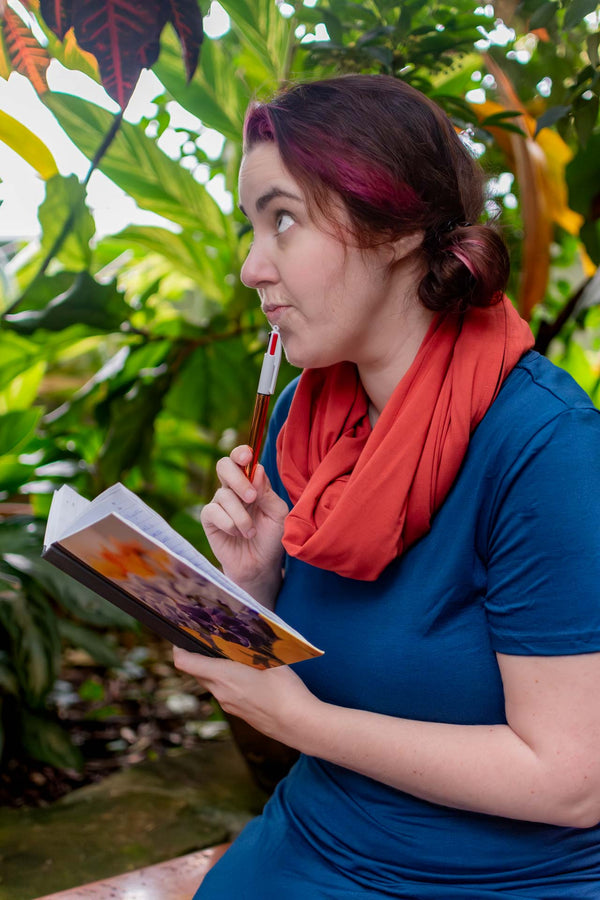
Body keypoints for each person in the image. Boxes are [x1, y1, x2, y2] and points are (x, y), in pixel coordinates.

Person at [173, 75, 600, 898]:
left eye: (283, 220)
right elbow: (311, 662)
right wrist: (258, 581)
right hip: (321, 834)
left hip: (506, 879)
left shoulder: (548, 450)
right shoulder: (311, 410)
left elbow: (573, 783)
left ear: (397, 227)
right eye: (250, 227)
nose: (250, 267)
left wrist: (305, 723)